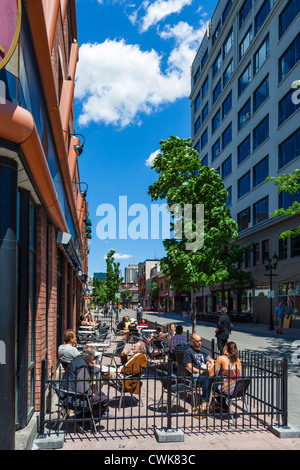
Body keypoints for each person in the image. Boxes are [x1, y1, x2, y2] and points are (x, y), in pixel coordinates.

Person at [61, 346, 109, 422]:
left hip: (67, 393)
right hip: (74, 398)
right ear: (91, 357)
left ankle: (82, 416)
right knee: (104, 400)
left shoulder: (78, 359)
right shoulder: (83, 368)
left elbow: (88, 368)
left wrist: (98, 369)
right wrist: (90, 394)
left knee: (101, 394)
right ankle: (86, 422)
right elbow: (81, 389)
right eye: (93, 357)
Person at [183, 333, 212, 403]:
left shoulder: (204, 351)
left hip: (206, 372)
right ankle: (205, 399)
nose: (200, 342)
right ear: (192, 341)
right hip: (195, 373)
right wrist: (201, 372)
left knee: (217, 378)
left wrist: (210, 362)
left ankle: (219, 400)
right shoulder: (188, 351)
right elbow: (189, 367)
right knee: (206, 379)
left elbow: (209, 359)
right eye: (197, 341)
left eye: (200, 340)